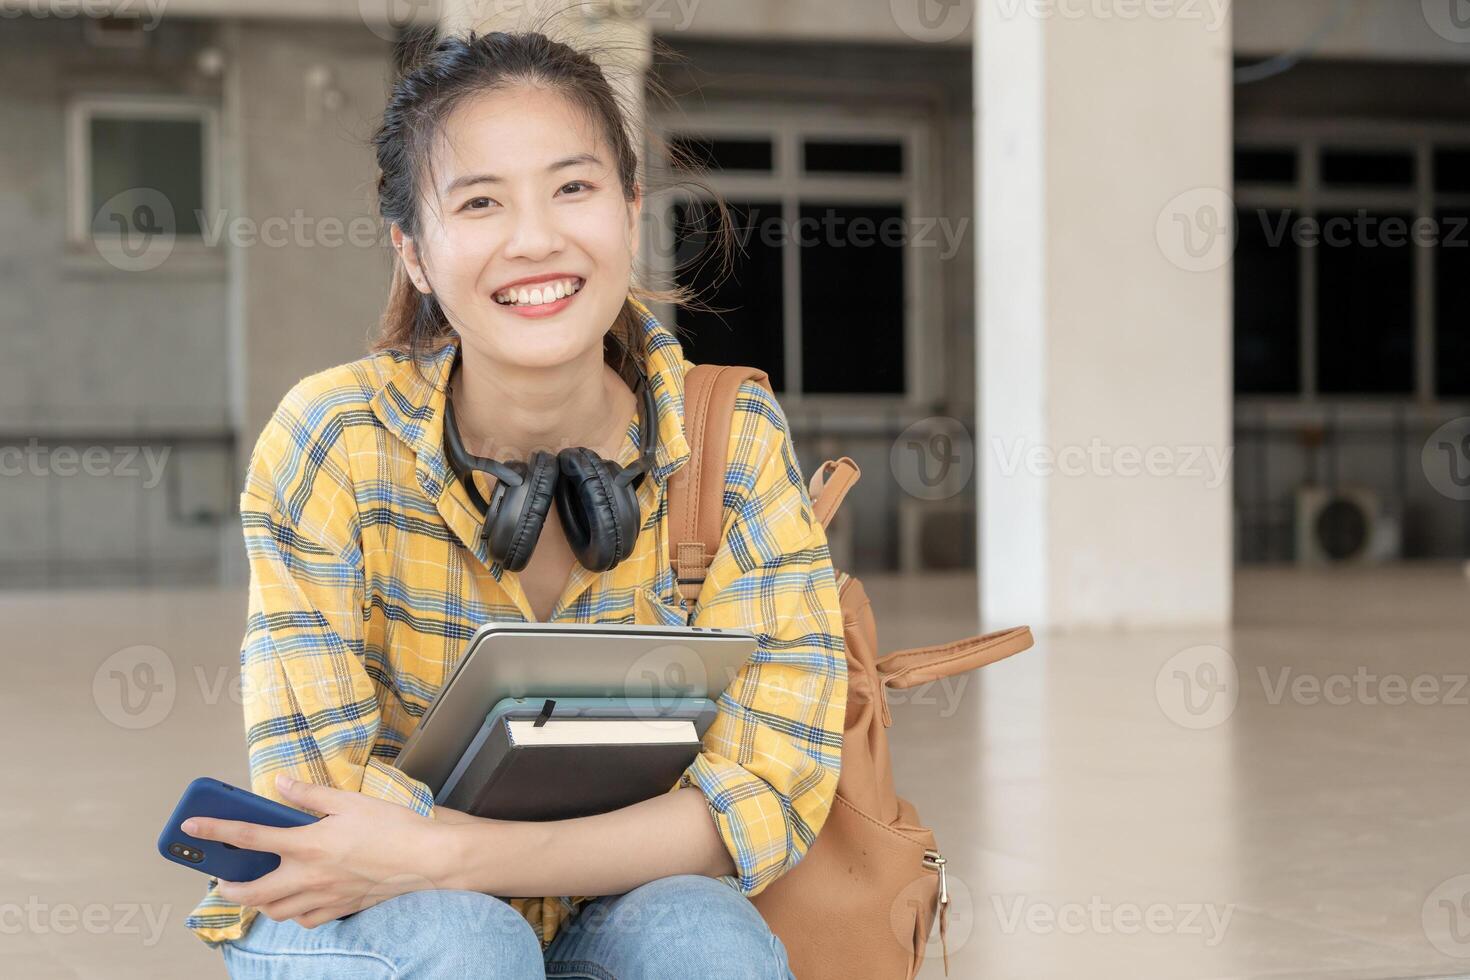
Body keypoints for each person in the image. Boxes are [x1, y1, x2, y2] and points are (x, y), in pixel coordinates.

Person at [181, 28, 848, 980]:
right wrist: (458, 881)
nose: (535, 238)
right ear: (413, 253)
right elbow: (322, 794)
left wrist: (465, 853)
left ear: (629, 210)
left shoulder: (732, 440)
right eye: (481, 201)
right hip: (364, 907)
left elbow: (767, 791)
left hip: (609, 898)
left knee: (705, 943)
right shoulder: (330, 439)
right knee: (470, 947)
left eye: (572, 188)